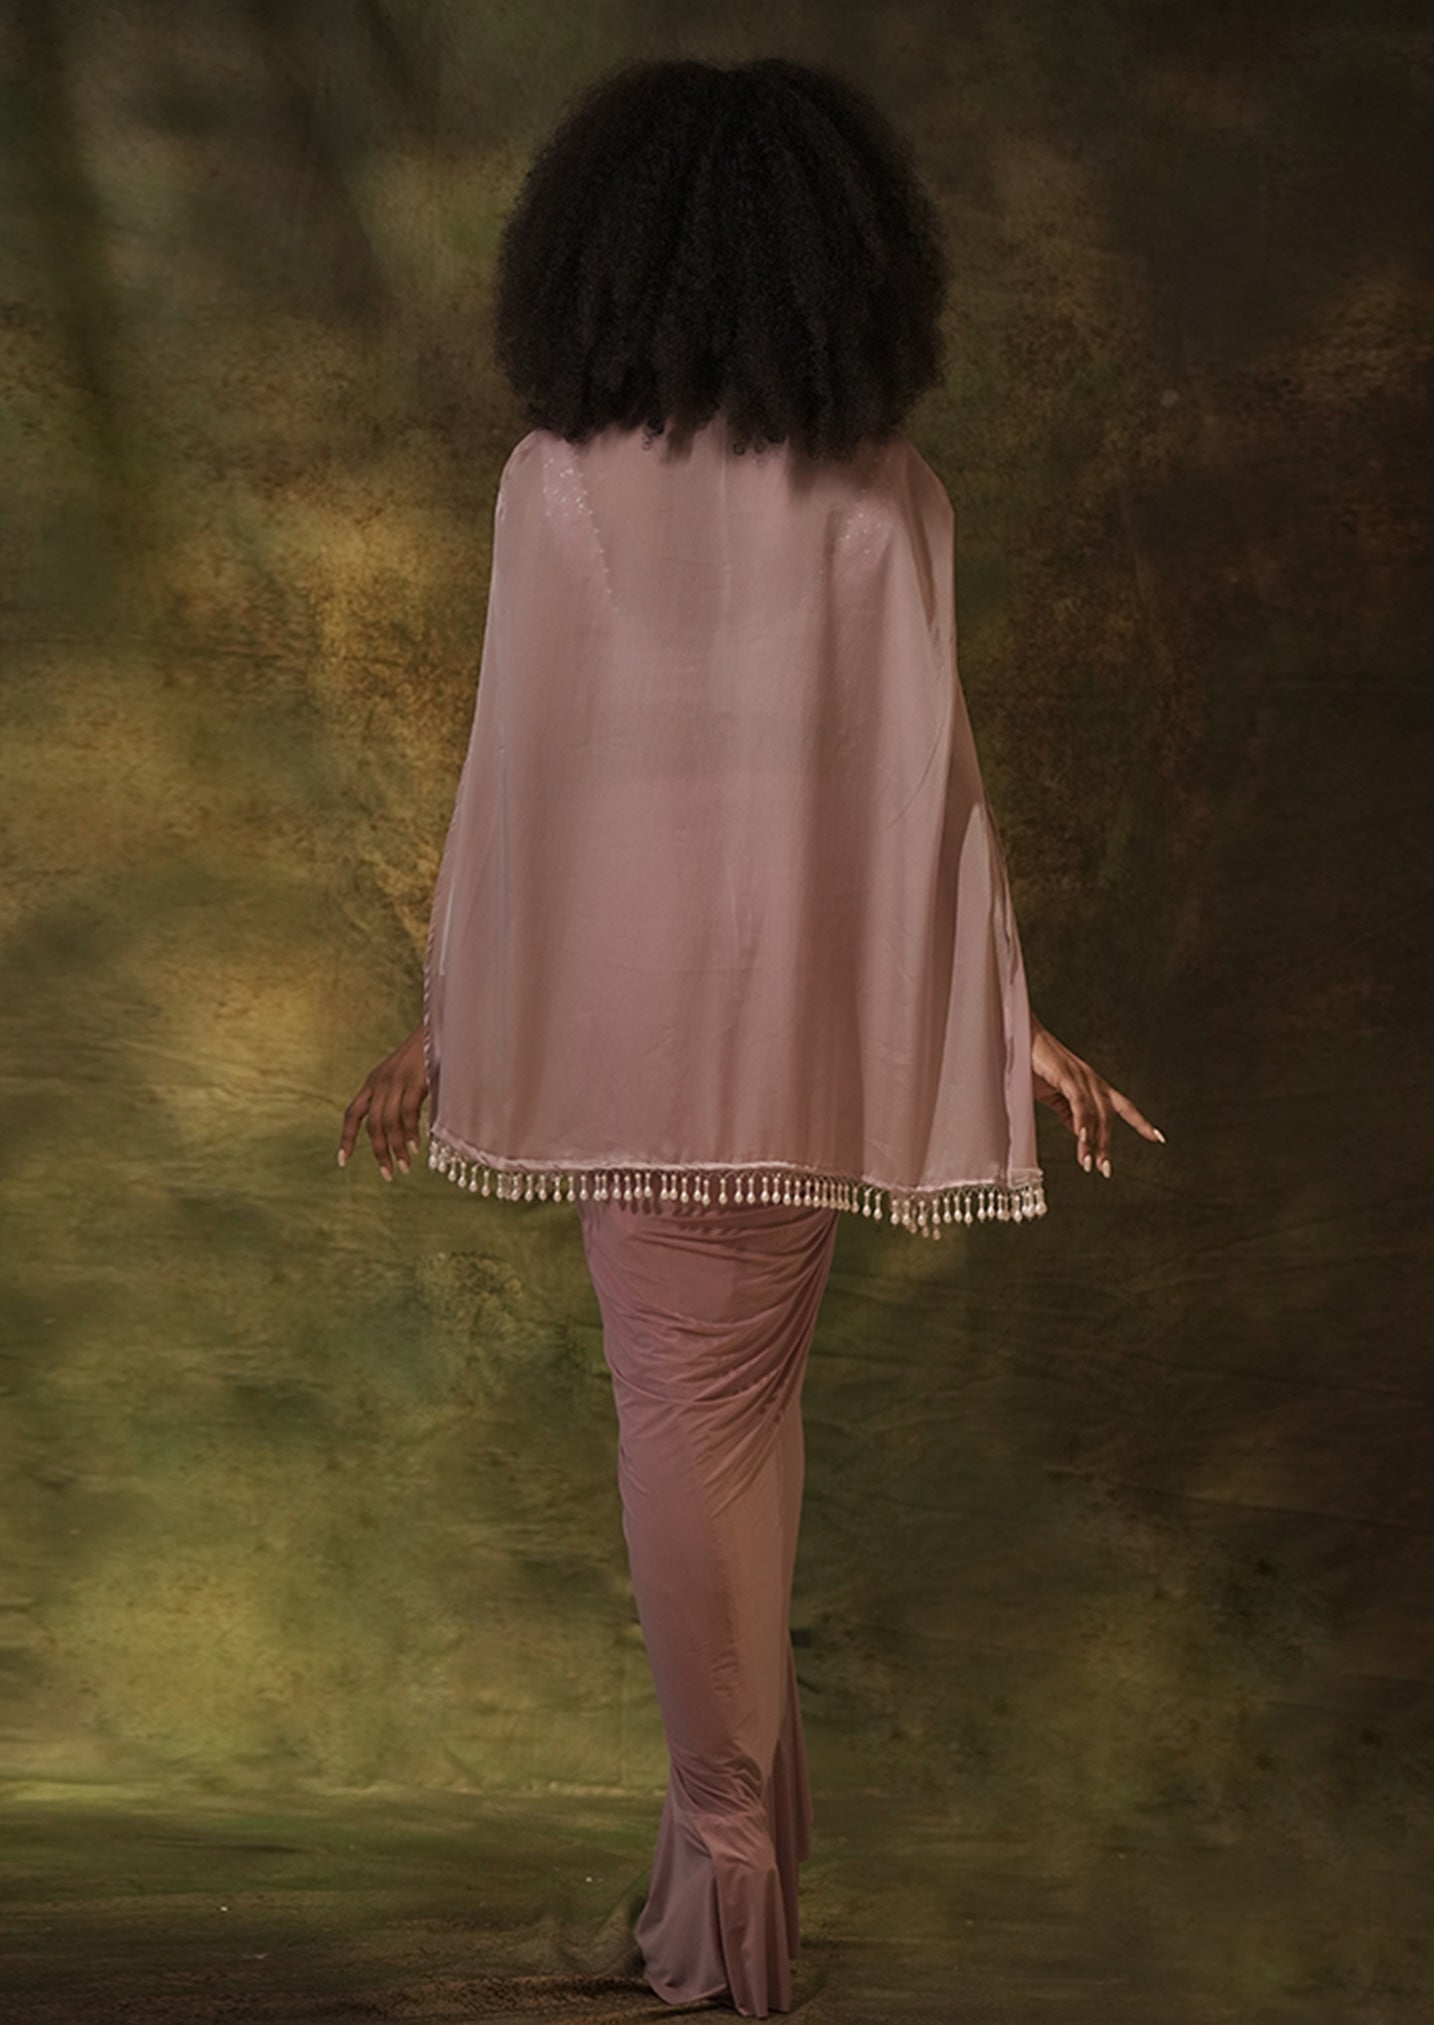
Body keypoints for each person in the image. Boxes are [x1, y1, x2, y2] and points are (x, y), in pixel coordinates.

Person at [338, 55, 1164, 2018]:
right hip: (801, 1047)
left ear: (597, 256)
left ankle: (729, 1867)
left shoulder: (554, 483)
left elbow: (514, 790)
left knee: (689, 1426)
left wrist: (454, 1017)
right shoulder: (888, 494)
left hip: (629, 1050)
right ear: (839, 261)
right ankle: (721, 1872)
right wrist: (999, 1022)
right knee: (739, 1428)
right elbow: (927, 805)